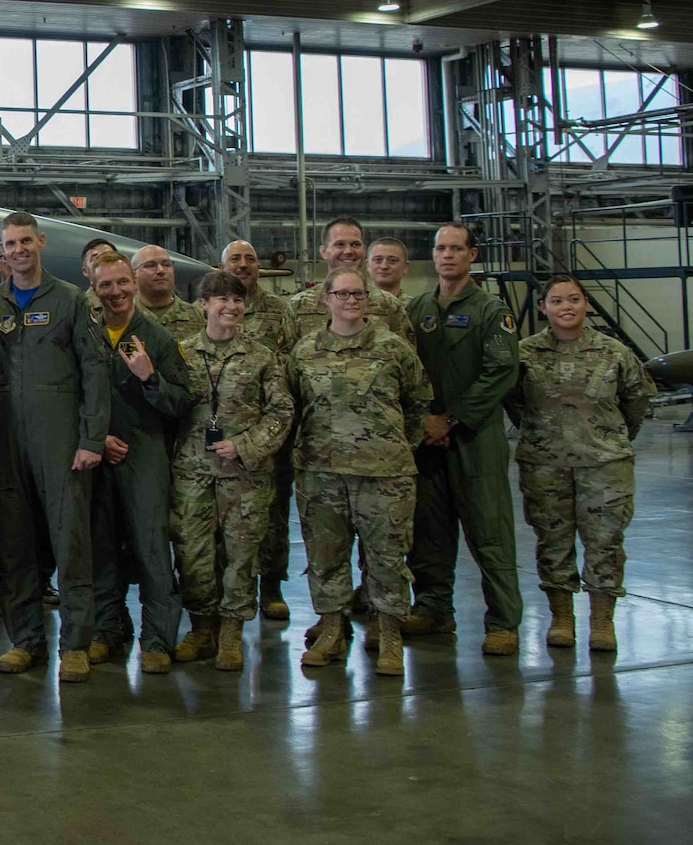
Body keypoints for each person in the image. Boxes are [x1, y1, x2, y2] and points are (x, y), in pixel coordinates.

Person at [0, 212, 108, 682]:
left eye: (24, 241)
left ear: (40, 242)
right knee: (15, 547)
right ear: (2, 251)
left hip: (60, 443)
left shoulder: (72, 301)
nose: (17, 250)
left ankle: (74, 644)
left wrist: (91, 438)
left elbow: (95, 372)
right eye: (10, 243)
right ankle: (25, 641)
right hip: (5, 439)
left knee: (70, 542)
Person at [289, 267, 429, 676]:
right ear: (325, 299)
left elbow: (418, 402)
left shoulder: (393, 348)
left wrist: (393, 447)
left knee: (387, 557)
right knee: (325, 556)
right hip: (320, 472)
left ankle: (388, 635)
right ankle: (332, 631)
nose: (351, 301)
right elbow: (294, 405)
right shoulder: (304, 351)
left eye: (359, 294)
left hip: (384, 474)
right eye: (343, 294)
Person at [512, 275, 652, 653]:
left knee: (605, 540)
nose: (566, 307)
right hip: (544, 463)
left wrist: (609, 437)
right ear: (543, 308)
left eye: (574, 299)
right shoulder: (524, 353)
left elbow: (636, 402)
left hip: (605, 464)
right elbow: (514, 401)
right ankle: (561, 617)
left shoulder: (614, 352)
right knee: (552, 540)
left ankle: (602, 620)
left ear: (586, 303)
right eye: (556, 301)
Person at [405, 223, 523, 655]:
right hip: (427, 441)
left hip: (475, 439)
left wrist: (450, 419)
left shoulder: (492, 311)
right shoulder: (417, 310)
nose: (447, 255)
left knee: (490, 534)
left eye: (456, 248)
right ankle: (434, 609)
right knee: (428, 533)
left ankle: (503, 622)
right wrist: (424, 421)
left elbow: (501, 372)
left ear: (472, 255)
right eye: (440, 248)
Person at [169, 271, 293, 672]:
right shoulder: (182, 353)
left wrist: (246, 445)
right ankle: (201, 627)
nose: (231, 306)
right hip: (193, 473)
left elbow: (282, 411)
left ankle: (231, 632)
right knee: (193, 554)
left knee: (242, 556)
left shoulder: (261, 357)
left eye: (237, 300)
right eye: (221, 299)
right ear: (202, 305)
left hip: (245, 475)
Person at [86, 252, 192, 674]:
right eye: (105, 285)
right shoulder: (87, 334)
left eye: (121, 283)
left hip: (144, 453)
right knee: (100, 546)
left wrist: (150, 377)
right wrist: (97, 438)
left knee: (151, 548)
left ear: (134, 283)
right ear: (93, 289)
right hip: (97, 451)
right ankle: (106, 630)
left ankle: (157, 639)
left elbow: (182, 401)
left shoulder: (157, 338)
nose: (115, 292)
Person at [219, 238, 299, 623]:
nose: (243, 264)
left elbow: (292, 368)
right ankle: (226, 590)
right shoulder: (211, 307)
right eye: (235, 258)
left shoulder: (281, 310)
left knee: (273, 515)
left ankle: (271, 587)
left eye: (250, 258)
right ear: (222, 267)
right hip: (222, 437)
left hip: (270, 434)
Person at [290, 218, 416, 345]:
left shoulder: (389, 305)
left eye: (355, 244)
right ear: (324, 252)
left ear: (363, 250)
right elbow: (286, 359)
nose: (348, 251)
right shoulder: (300, 305)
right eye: (340, 244)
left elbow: (406, 357)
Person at [132, 244, 204, 344]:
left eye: (167, 264)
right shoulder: (124, 317)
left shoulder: (197, 317)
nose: (161, 270)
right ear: (134, 275)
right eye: (151, 265)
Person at [368, 238, 413, 302]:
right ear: (368, 265)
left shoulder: (415, 308)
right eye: (378, 260)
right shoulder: (355, 304)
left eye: (392, 261)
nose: (384, 266)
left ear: (405, 267)